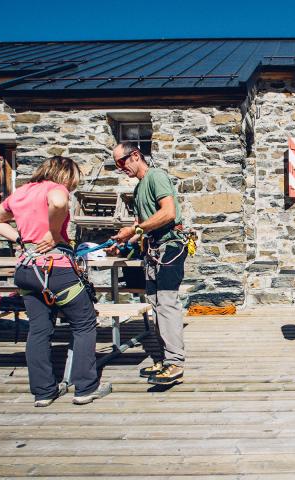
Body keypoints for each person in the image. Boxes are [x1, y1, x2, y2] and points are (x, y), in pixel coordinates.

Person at [0, 156, 112, 407]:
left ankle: (44, 392)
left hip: (26, 268)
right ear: (64, 175)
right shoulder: (55, 188)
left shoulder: (21, 192)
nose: (72, 187)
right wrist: (53, 233)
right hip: (56, 269)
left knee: (39, 329)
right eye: (73, 181)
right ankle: (86, 387)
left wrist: (21, 239)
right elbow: (58, 201)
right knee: (84, 323)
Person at [109, 142, 189, 385]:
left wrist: (133, 229)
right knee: (156, 304)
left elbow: (168, 213)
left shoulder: (156, 176)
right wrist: (123, 241)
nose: (120, 168)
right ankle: (166, 358)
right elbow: (143, 225)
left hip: (170, 247)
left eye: (121, 162)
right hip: (154, 248)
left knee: (166, 303)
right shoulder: (139, 188)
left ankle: (175, 363)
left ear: (135, 155)